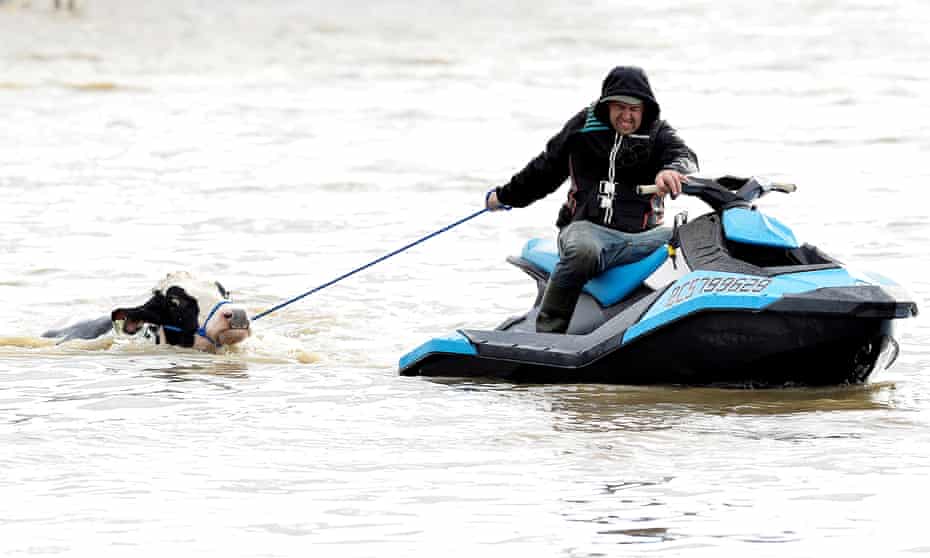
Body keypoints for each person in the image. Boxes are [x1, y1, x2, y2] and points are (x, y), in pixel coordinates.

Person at [486, 65, 698, 334]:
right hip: (587, 231)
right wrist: (504, 197)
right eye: (620, 107)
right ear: (606, 105)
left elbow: (685, 156)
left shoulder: (658, 133)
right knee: (583, 249)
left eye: (634, 109)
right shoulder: (583, 126)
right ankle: (548, 333)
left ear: (645, 109)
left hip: (645, 238)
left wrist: (672, 169)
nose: (627, 115)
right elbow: (544, 169)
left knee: (694, 237)